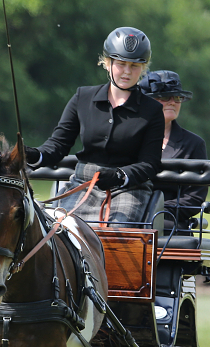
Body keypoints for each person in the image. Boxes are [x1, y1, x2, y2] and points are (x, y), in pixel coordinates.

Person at [25, 27, 164, 226]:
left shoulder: (152, 110)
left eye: (134, 66)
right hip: (83, 184)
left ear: (143, 68)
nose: (127, 71)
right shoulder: (83, 97)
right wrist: (34, 155)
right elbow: (58, 145)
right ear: (107, 63)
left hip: (129, 189)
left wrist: (121, 175)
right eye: (121, 64)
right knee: (59, 231)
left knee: (114, 236)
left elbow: (150, 163)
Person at [137, 70, 207, 233]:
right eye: (165, 97)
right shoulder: (127, 138)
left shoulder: (193, 144)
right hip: (127, 215)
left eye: (177, 98)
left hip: (170, 222)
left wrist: (156, 210)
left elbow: (194, 197)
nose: (172, 102)